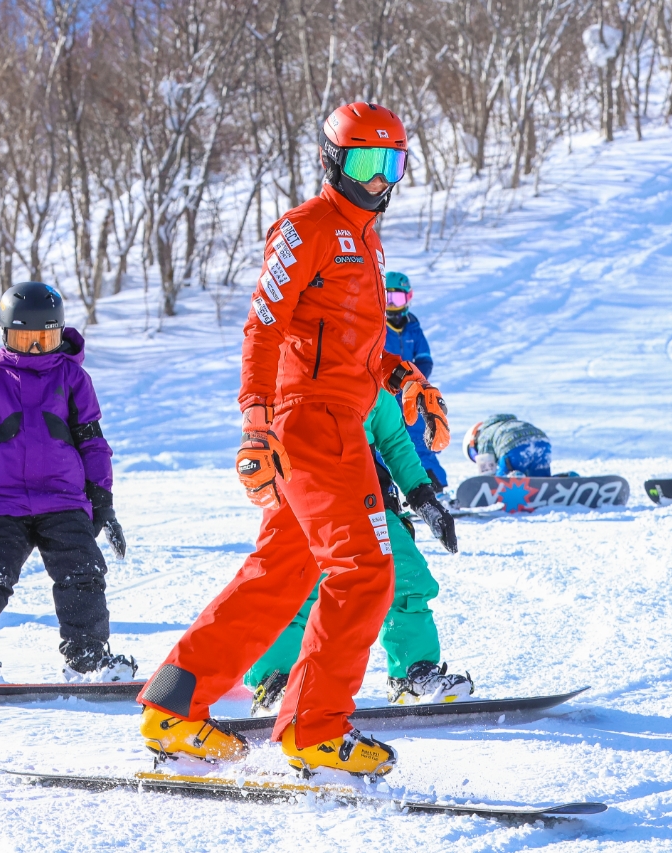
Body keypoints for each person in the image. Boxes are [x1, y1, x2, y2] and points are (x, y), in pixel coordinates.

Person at [134, 102, 450, 779]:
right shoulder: (307, 228)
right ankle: (313, 728)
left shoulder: (367, 242)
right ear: (335, 161)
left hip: (344, 416)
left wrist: (401, 373)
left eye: (390, 163)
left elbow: (347, 346)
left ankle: (174, 706)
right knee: (364, 568)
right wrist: (255, 422)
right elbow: (263, 327)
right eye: (365, 163)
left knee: (283, 571)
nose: (378, 179)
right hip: (311, 424)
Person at [0, 282, 133, 684]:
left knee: (83, 573)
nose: (37, 349)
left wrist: (103, 503)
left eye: (46, 338)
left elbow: (92, 442)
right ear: (6, 334)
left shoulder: (73, 378)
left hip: (63, 500)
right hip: (4, 502)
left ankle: (87, 656)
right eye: (27, 338)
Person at [244, 389, 466, 714]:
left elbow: (394, 441)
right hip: (303, 493)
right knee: (297, 585)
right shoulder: (292, 370)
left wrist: (422, 495)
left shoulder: (370, 382)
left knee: (406, 579)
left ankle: (413, 673)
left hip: (368, 498)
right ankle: (276, 681)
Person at [384, 272, 448, 491]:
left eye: (397, 299)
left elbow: (425, 359)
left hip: (412, 392)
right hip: (386, 395)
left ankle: (436, 489)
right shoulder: (378, 327)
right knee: (387, 441)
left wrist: (417, 381)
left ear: (408, 298)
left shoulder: (413, 327)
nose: (391, 305)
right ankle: (389, 493)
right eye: (386, 299)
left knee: (420, 440)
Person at [463, 415, 555, 477]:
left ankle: (514, 478)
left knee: (503, 479)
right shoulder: (511, 422)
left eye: (473, 454)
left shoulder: (484, 434)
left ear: (473, 439)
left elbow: (488, 473)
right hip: (542, 442)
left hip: (513, 446)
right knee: (541, 479)